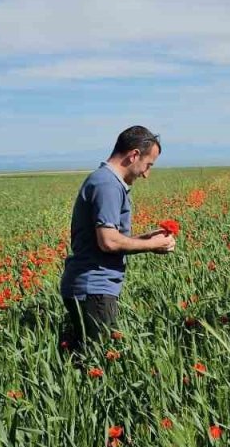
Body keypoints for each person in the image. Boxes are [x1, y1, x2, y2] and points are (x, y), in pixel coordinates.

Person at [59, 125, 176, 351]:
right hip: (94, 288)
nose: (146, 174)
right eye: (148, 165)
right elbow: (109, 241)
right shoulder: (108, 185)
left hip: (90, 286)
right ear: (134, 155)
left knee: (85, 357)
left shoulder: (104, 181)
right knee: (99, 361)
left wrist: (146, 237)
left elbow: (104, 238)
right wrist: (152, 244)